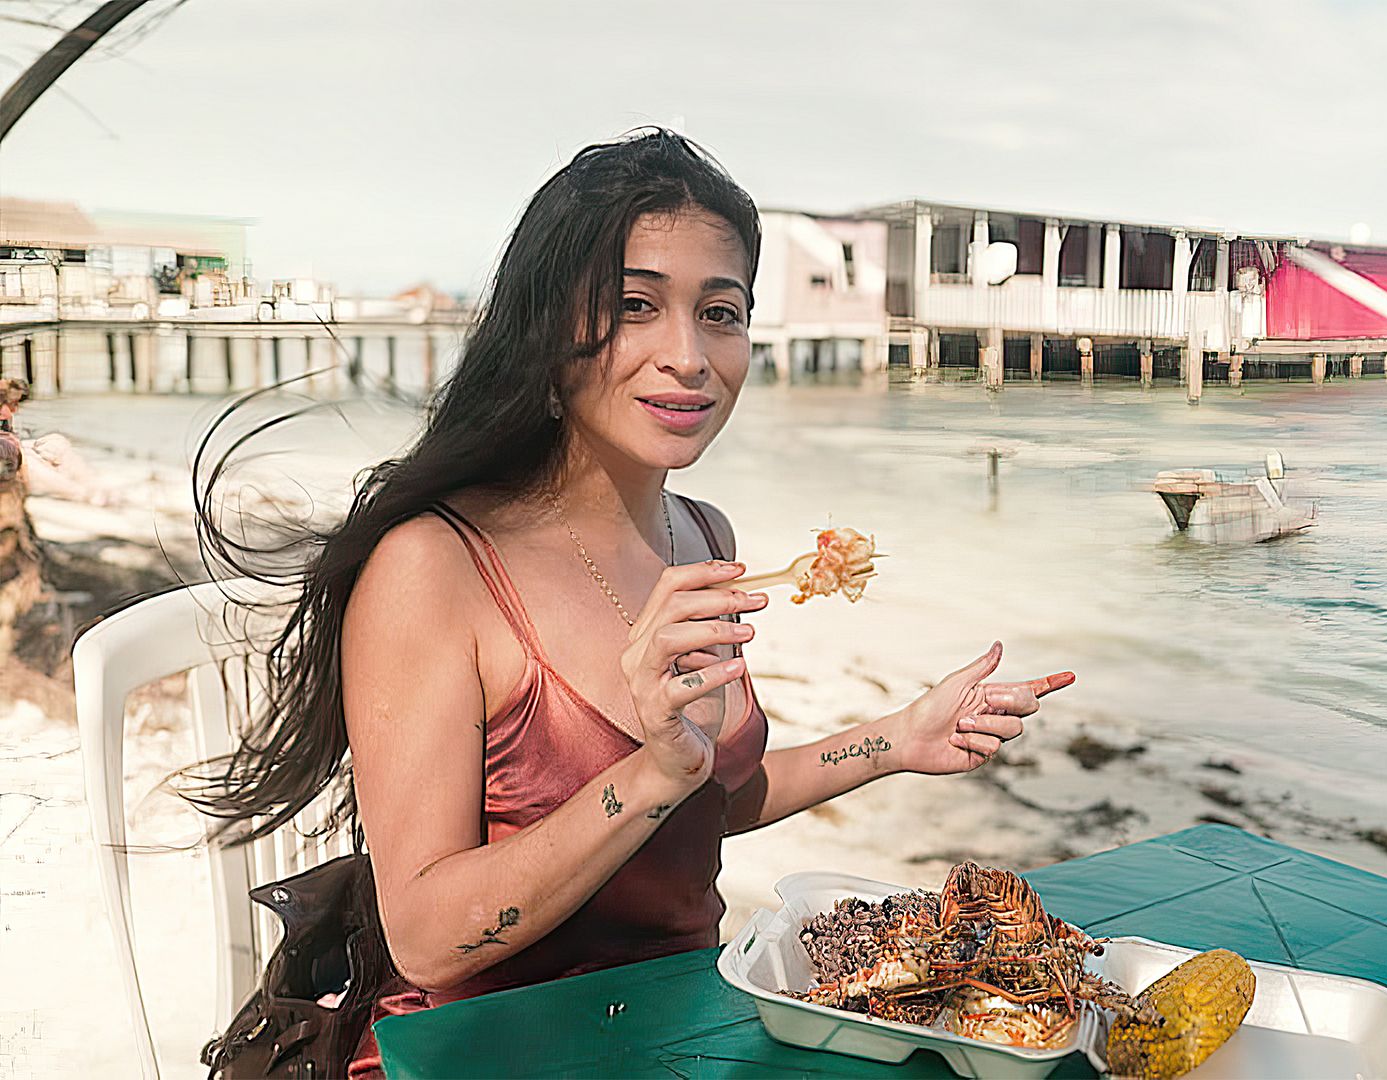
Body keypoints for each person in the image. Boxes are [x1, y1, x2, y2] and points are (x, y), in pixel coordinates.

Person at [179, 130, 1075, 1077]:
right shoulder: (434, 567)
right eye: (635, 306)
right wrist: (647, 774)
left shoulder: (704, 537)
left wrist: (893, 741)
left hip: (682, 1025)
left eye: (720, 313)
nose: (686, 355)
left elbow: (704, 798)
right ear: (547, 325)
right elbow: (428, 939)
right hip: (480, 1049)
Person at [0, 379, 114, 505]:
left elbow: (13, 441)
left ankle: (93, 483)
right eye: (11, 404)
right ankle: (83, 493)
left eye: (16, 404)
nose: (15, 410)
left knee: (56, 441)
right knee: (32, 464)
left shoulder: (6, 421)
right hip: (11, 466)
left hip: (14, 454)